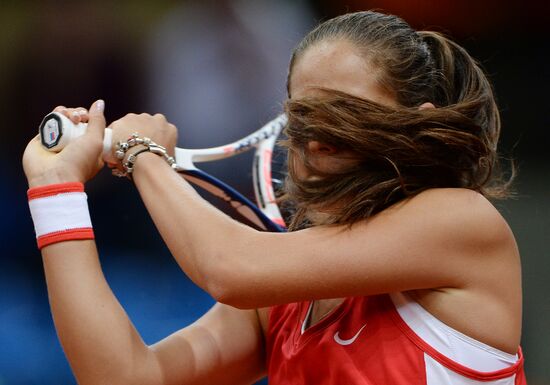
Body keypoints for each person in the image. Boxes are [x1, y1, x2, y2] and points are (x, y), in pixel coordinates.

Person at [23, 11, 526, 385]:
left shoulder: (460, 223)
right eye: (305, 118)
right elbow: (125, 378)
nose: (318, 140)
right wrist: (55, 190)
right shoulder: (279, 295)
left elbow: (227, 268)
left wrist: (143, 154)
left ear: (416, 121)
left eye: (347, 115)